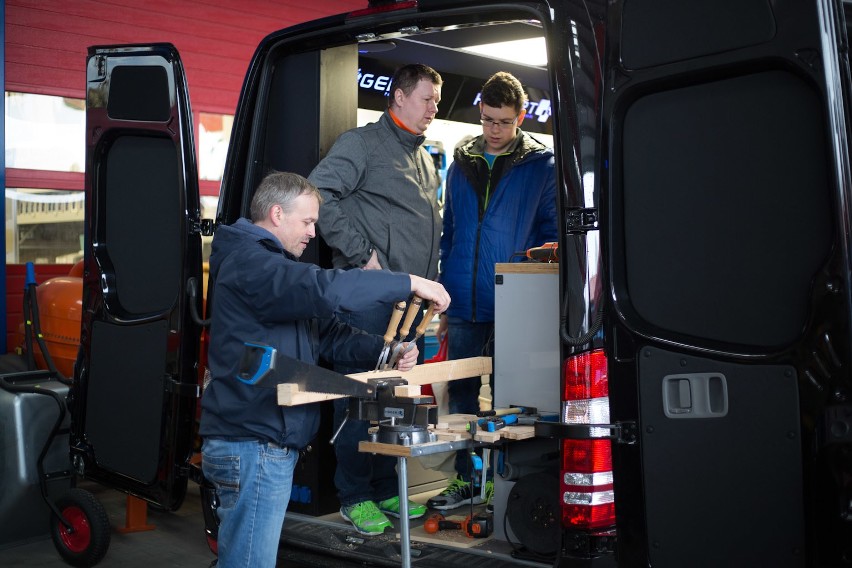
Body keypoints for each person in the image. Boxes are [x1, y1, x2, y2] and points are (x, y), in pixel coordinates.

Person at [199, 171, 450, 567]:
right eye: (308, 221)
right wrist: (408, 282)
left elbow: (328, 336)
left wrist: (387, 349)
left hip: (262, 442)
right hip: (252, 445)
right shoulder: (252, 263)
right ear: (278, 214)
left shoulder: (272, 271)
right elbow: (324, 288)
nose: (314, 233)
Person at [307, 63, 444, 535]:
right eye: (427, 99)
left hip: (410, 307)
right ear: (401, 96)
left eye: (436, 102)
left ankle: (386, 486)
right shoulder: (362, 143)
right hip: (367, 302)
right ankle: (355, 496)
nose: (433, 108)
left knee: (396, 399)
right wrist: (362, 254)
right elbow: (319, 193)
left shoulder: (423, 157)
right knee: (357, 399)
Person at [428, 71, 558, 511]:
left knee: (510, 400)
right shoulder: (460, 162)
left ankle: (501, 486)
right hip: (463, 302)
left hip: (515, 301)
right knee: (461, 398)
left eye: (503, 121)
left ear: (521, 117)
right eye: (487, 120)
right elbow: (450, 233)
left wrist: (529, 282)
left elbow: (552, 237)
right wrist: (444, 292)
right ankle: (466, 481)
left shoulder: (542, 166)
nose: (494, 130)